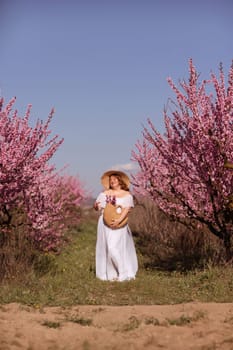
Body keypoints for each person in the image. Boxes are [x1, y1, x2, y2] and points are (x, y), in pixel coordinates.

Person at [93, 170, 138, 281]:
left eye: (114, 179)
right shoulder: (104, 194)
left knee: (114, 248)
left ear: (120, 181)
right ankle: (111, 274)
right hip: (104, 223)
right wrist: (95, 206)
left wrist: (118, 221)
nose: (112, 181)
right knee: (107, 248)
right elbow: (98, 208)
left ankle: (123, 273)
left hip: (119, 224)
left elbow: (127, 209)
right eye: (110, 180)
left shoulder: (127, 195)